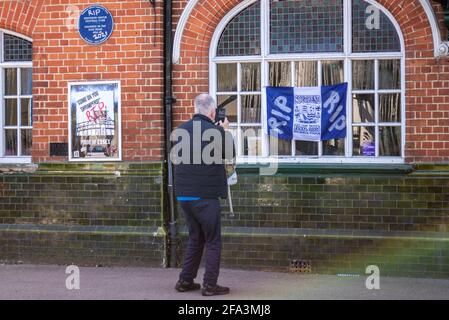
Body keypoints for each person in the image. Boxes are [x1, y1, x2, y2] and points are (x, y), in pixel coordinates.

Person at [173, 93, 235, 297]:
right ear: (212, 111)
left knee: (195, 238)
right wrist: (225, 131)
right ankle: (209, 285)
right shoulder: (216, 131)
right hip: (205, 197)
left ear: (195, 109)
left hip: (184, 196)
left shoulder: (180, 131)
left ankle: (185, 280)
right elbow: (229, 155)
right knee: (213, 240)